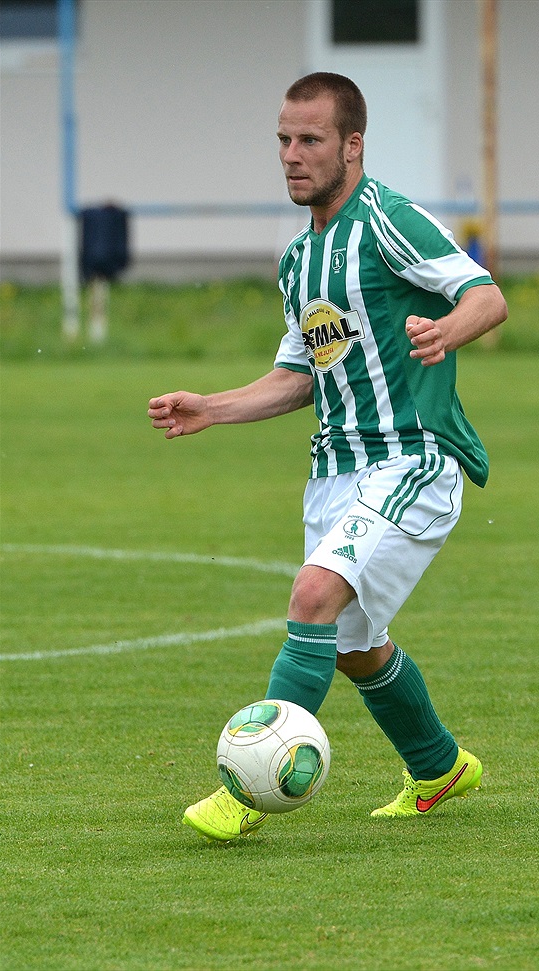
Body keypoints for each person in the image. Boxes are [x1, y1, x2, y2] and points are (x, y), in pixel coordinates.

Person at [148, 72, 507, 841]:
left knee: (313, 595)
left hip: (412, 457)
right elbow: (296, 377)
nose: (291, 154)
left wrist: (450, 330)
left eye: (309, 139)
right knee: (353, 648)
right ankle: (440, 766)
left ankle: (243, 794)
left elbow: (484, 293)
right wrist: (211, 407)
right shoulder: (297, 262)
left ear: (352, 145)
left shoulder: (387, 219)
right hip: (333, 471)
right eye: (282, 139)